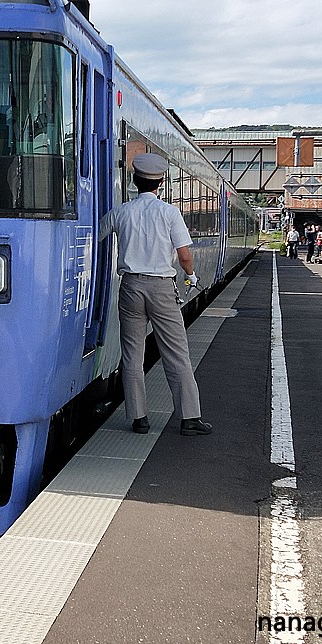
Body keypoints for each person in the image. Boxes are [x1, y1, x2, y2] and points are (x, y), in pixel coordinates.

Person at [98, 153, 212, 436]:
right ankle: (189, 418)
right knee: (176, 353)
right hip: (161, 288)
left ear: (134, 181)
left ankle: (139, 418)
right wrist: (191, 276)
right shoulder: (169, 212)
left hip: (131, 288)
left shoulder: (121, 212)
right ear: (160, 183)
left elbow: (95, 236)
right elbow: (184, 255)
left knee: (132, 355)